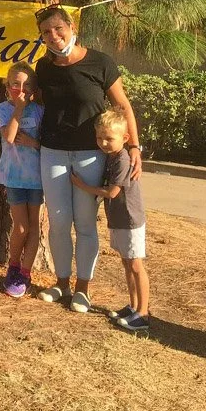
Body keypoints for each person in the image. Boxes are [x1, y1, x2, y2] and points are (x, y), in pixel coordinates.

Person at [33, 5, 142, 313]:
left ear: (71, 27)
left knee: (84, 223)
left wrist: (134, 147)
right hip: (52, 152)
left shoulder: (100, 62)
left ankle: (83, 289)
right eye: (46, 33)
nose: (53, 37)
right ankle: (62, 283)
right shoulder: (44, 68)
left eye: (58, 29)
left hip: (91, 155)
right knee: (57, 222)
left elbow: (124, 106)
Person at [71, 109, 150, 332]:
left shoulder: (122, 159)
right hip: (118, 218)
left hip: (130, 218)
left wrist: (81, 186)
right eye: (99, 138)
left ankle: (143, 313)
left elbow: (113, 192)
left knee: (136, 264)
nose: (103, 143)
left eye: (109, 139)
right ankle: (133, 306)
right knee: (127, 263)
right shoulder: (111, 157)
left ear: (125, 139)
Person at [0, 62, 44, 298]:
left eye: (26, 85)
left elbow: (44, 144)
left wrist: (33, 143)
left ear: (33, 89)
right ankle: (13, 266)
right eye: (15, 84)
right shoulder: (2, 109)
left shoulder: (40, 111)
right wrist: (19, 109)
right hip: (14, 176)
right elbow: (11, 137)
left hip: (37, 178)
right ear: (8, 85)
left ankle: (25, 272)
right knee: (20, 227)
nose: (20, 89)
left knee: (34, 227)